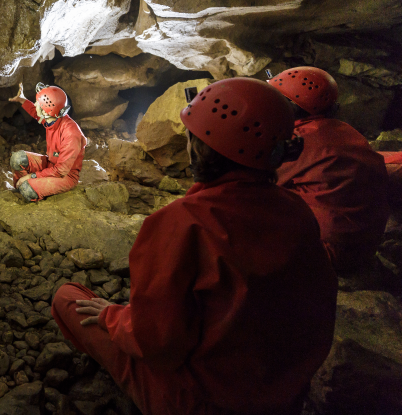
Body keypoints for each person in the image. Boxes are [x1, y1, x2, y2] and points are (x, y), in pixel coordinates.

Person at [51, 78, 337, 415]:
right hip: (281, 395)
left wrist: (113, 317)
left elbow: (155, 343)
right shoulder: (297, 211)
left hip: (200, 400)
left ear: (197, 147)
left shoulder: (182, 222)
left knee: (68, 298)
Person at [268, 66, 390, 274]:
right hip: (363, 248)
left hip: (324, 254)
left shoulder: (297, 142)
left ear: (290, 107)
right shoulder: (341, 130)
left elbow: (255, 180)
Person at [7, 82, 86, 201]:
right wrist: (22, 100)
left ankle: (31, 188)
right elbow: (36, 113)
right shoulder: (52, 118)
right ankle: (24, 187)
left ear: (46, 111)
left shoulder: (71, 133)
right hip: (50, 164)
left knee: (27, 189)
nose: (35, 105)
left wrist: (31, 176)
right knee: (17, 159)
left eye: (38, 104)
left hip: (66, 175)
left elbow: (61, 170)